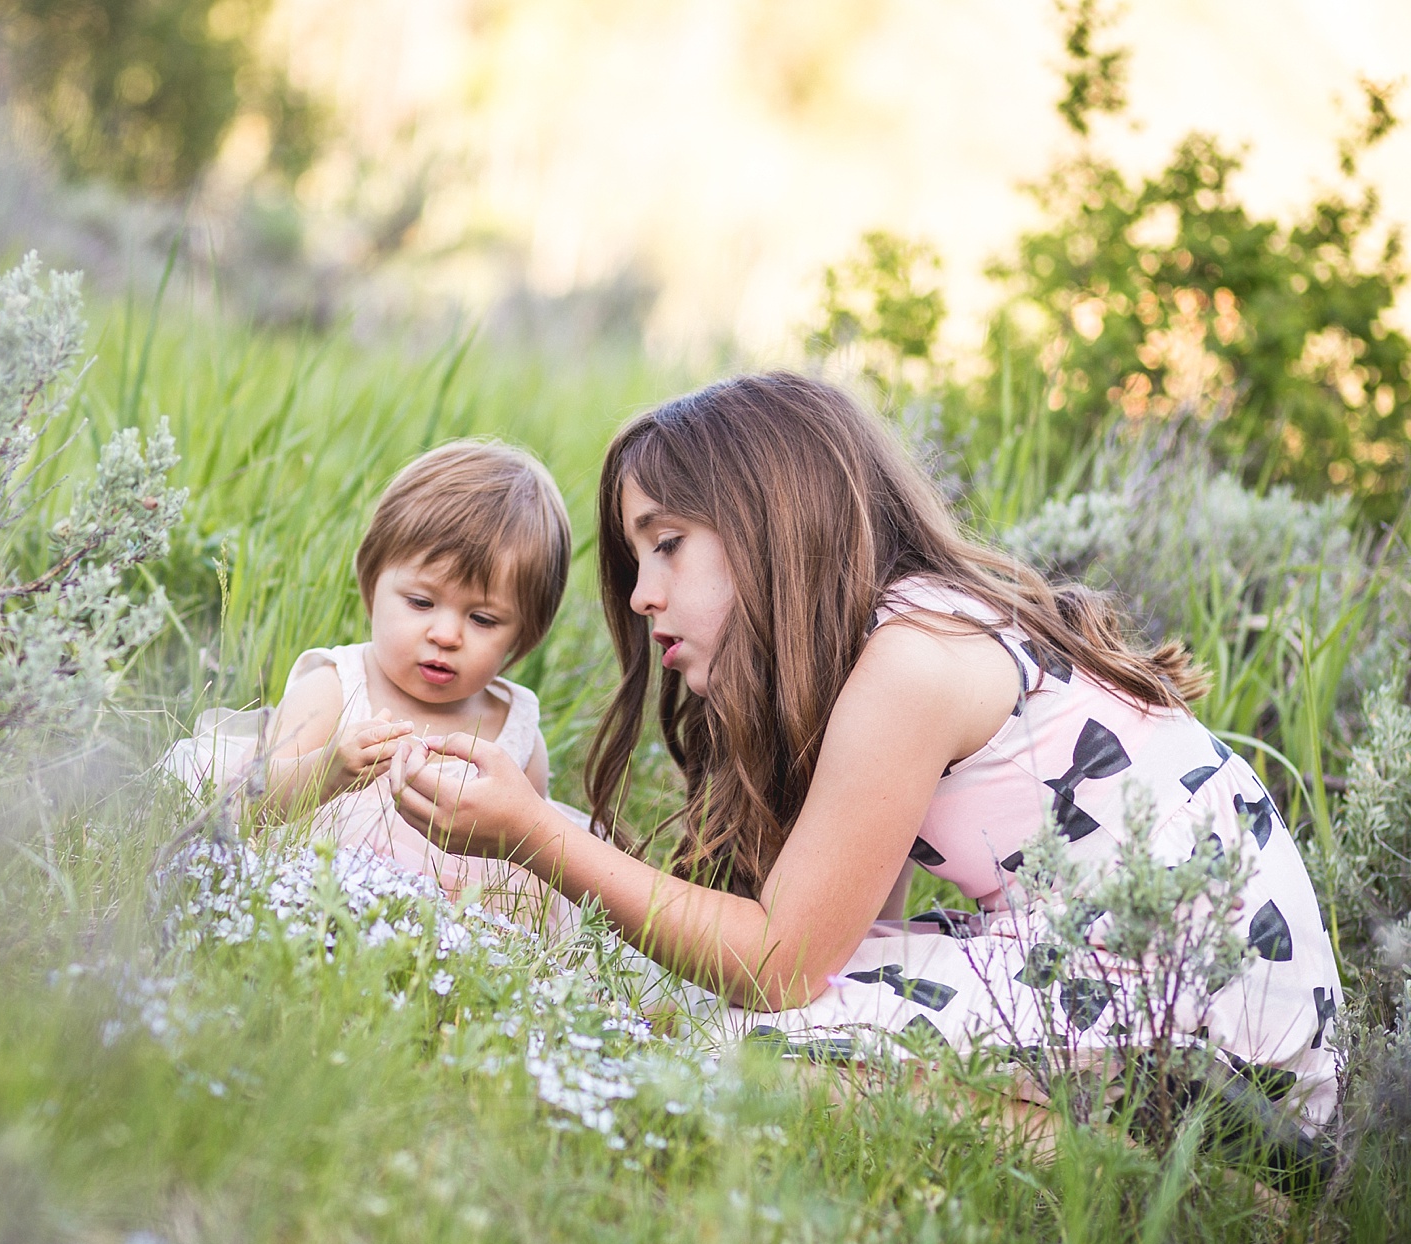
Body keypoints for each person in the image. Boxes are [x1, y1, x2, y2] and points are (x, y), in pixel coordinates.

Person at [390, 373, 1343, 1128]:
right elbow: (834, 947)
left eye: (667, 544)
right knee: (718, 1018)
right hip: (1130, 982)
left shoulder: (913, 661)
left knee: (739, 1049)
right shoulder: (892, 643)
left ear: (771, 525)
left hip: (1221, 1036)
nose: (642, 594)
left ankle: (1204, 1184)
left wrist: (533, 838)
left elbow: (780, 966)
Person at [167, 439, 583, 924]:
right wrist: (328, 770)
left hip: (450, 935)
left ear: (524, 633)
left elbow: (534, 873)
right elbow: (251, 806)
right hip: (314, 908)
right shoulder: (335, 690)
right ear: (372, 586)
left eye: (484, 620)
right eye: (421, 603)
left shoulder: (515, 734)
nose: (446, 635)